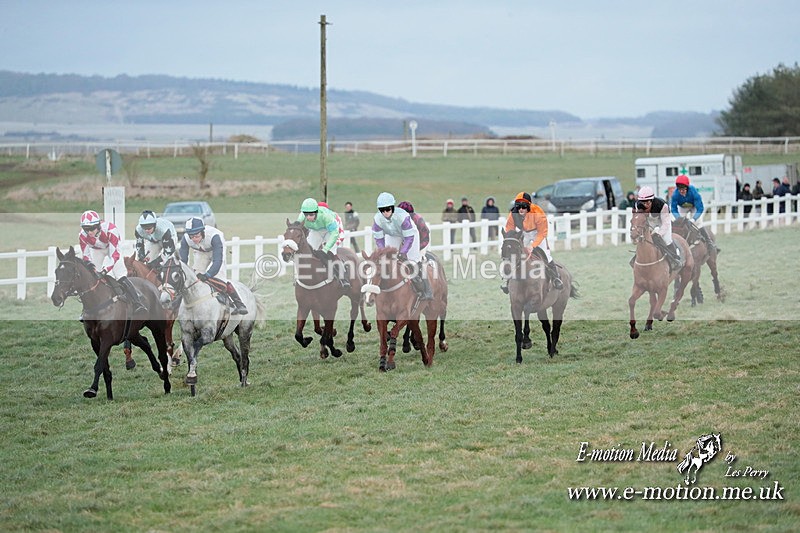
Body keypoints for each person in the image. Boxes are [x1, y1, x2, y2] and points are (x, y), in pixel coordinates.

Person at [78, 210, 147, 314]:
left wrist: (105, 270)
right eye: (86, 229)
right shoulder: (82, 236)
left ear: (98, 225)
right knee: (92, 276)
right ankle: (87, 309)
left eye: (92, 228)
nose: (89, 232)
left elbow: (114, 255)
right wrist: (93, 270)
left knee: (120, 275)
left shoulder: (110, 229)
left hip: (112, 248)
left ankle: (137, 303)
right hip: (97, 250)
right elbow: (86, 256)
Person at [179, 217, 248, 314]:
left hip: (216, 252)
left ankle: (239, 304)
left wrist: (207, 275)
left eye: (196, 235)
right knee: (195, 277)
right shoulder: (186, 239)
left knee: (218, 279)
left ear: (202, 231)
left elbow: (217, 262)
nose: (194, 239)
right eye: (191, 236)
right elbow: (183, 261)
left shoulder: (214, 236)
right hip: (201, 252)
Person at [372, 192, 432, 300]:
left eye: (388, 209)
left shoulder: (402, 217)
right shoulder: (377, 219)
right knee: (388, 259)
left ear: (393, 207)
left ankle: (426, 290)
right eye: (382, 210)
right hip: (393, 235)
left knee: (413, 261)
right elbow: (379, 238)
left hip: (410, 234)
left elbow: (409, 238)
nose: (385, 213)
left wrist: (403, 252)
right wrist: (383, 252)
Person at [500, 192, 563, 294]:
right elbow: (509, 228)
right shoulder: (513, 213)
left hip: (537, 233)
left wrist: (532, 245)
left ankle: (556, 278)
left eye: (524, 206)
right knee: (515, 254)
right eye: (518, 206)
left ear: (529, 205)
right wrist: (510, 240)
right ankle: (508, 281)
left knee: (546, 255)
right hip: (523, 233)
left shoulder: (538, 212)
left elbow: (542, 232)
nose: (521, 209)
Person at [296, 197, 350, 289]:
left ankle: (343, 278)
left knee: (330, 252)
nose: (308, 217)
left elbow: (334, 233)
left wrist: (325, 249)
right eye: (306, 214)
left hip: (331, 230)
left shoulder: (326, 216)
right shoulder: (301, 217)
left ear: (316, 212)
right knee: (309, 251)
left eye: (311, 214)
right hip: (316, 230)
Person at [635, 186, 682, 271]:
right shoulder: (638, 205)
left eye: (647, 202)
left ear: (652, 200)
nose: (645, 204)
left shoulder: (662, 205)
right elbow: (642, 219)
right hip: (650, 221)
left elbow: (665, 223)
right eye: (643, 202)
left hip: (663, 221)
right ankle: (637, 258)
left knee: (666, 239)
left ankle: (675, 259)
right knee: (644, 239)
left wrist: (659, 233)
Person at [670, 175, 717, 251]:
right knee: (675, 222)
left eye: (684, 189)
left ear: (687, 188)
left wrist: (694, 219)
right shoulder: (675, 194)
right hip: (682, 207)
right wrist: (678, 218)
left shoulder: (693, 192)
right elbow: (673, 209)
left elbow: (700, 208)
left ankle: (709, 242)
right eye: (679, 189)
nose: (681, 191)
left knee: (698, 223)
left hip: (694, 207)